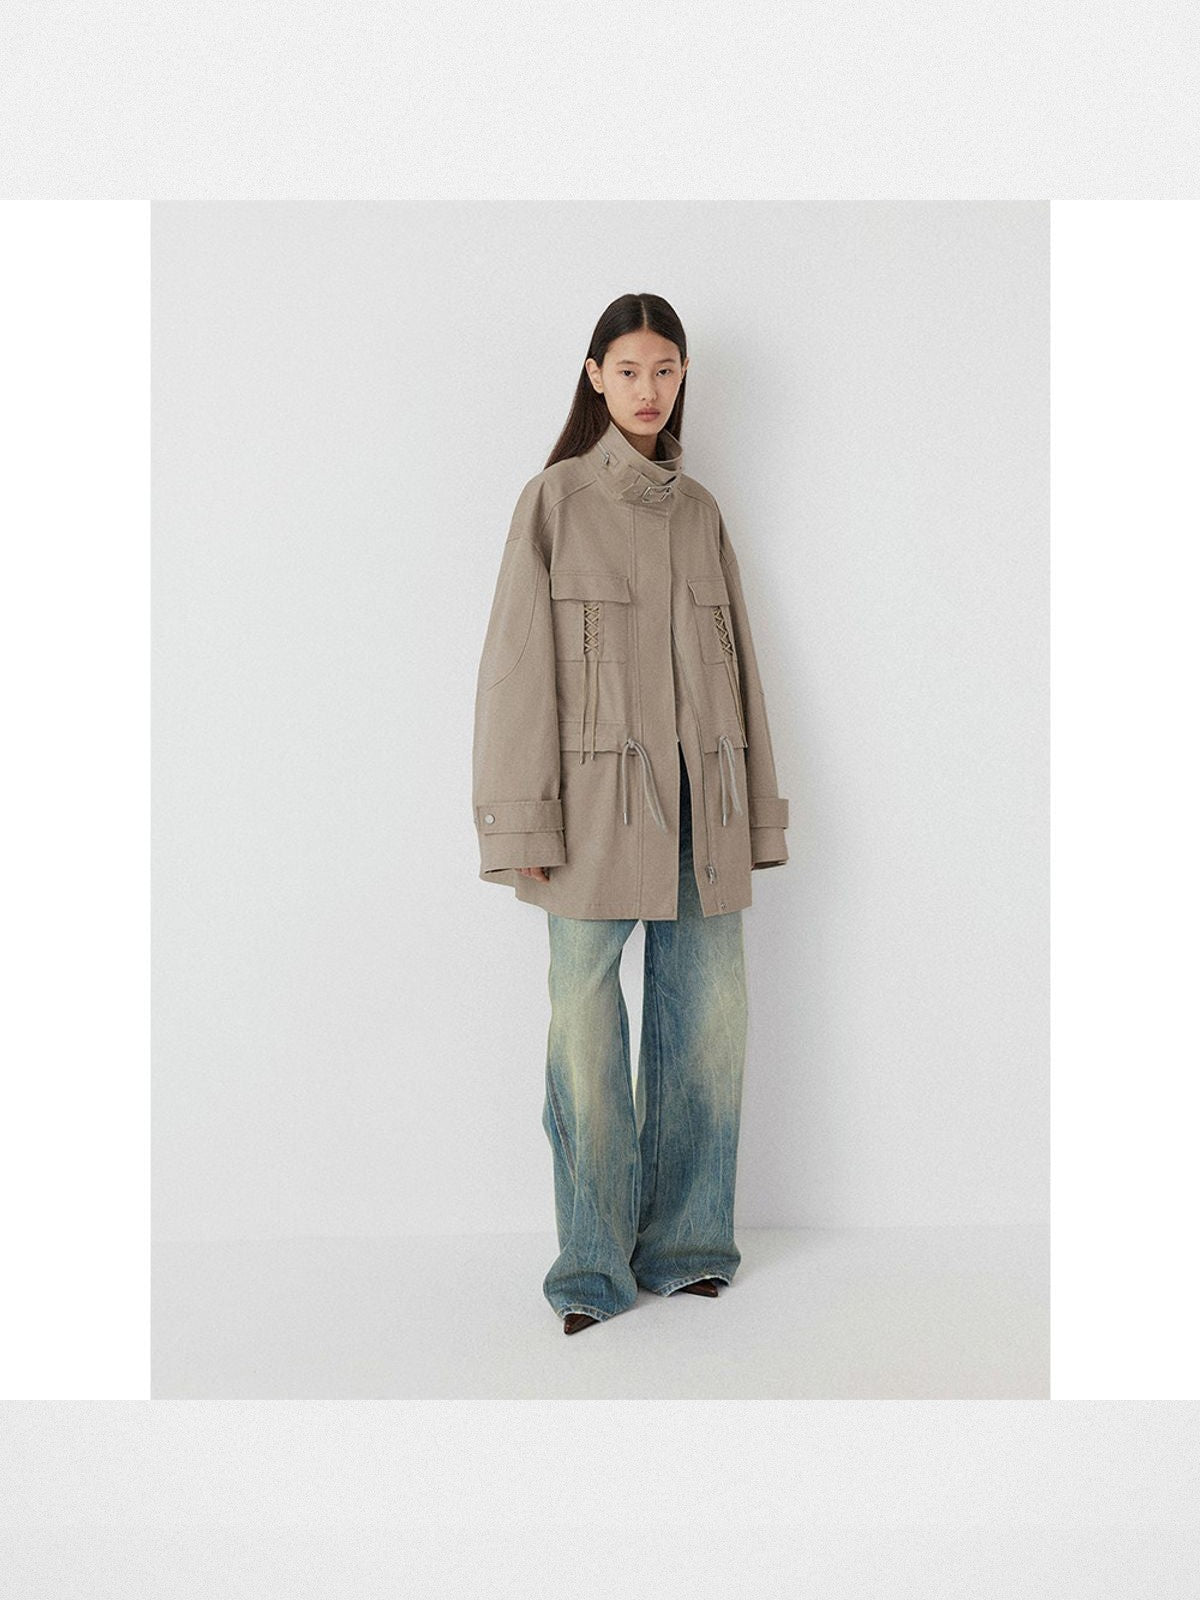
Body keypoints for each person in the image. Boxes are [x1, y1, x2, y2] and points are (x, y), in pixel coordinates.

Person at [472, 292, 790, 1334]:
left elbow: (742, 676)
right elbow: (516, 675)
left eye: (666, 369)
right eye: (629, 370)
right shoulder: (554, 502)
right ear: (595, 375)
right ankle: (592, 1268)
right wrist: (524, 822)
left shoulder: (701, 514)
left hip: (707, 814)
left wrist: (759, 817)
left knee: (708, 1030)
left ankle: (689, 1245)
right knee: (586, 1044)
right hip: (592, 819)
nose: (648, 389)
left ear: (682, 376)